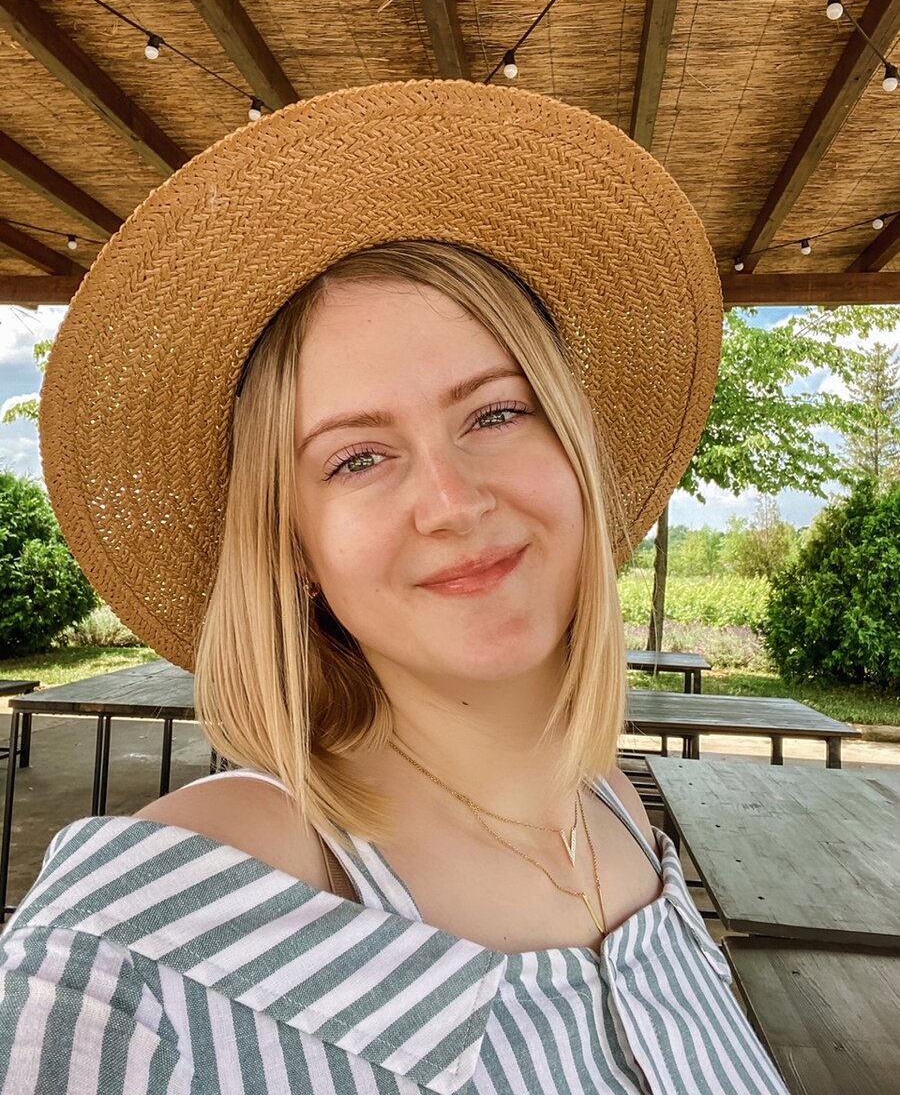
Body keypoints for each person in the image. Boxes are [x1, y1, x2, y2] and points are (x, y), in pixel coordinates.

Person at [0, 80, 788, 1095]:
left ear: (577, 454)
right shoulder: (134, 937)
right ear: (292, 547)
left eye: (496, 413)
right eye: (357, 459)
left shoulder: (618, 818)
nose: (452, 503)